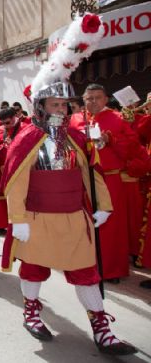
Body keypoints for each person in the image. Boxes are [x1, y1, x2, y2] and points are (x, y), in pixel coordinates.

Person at [1, 13, 136, 355]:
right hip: (37, 217)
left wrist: (102, 205)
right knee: (34, 268)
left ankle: (100, 326)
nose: (62, 108)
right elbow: (15, 181)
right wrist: (17, 219)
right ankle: (31, 311)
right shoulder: (28, 136)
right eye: (55, 103)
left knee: (86, 272)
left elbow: (90, 172)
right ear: (41, 106)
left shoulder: (75, 136)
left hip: (74, 217)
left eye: (65, 103)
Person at [69, 84, 140, 283]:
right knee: (84, 223)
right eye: (89, 98)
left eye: (97, 97)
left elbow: (132, 148)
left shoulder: (118, 118)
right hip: (82, 179)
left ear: (106, 99)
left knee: (112, 226)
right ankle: (84, 264)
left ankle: (112, 270)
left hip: (110, 178)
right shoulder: (75, 119)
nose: (93, 102)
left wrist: (112, 140)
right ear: (83, 100)